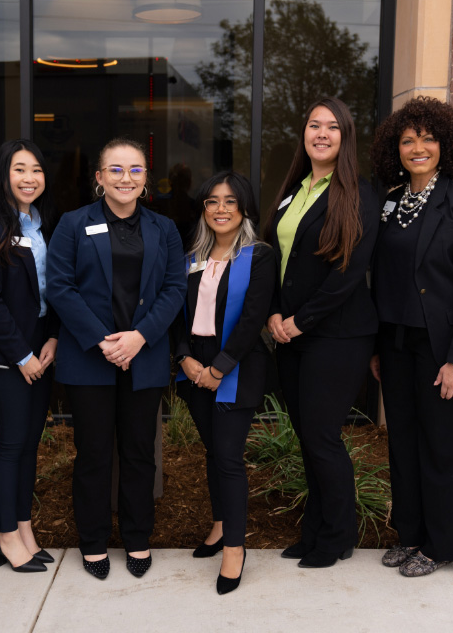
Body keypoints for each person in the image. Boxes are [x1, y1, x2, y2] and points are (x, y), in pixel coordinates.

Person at [46, 137, 186, 580]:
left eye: (136, 170)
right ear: (99, 178)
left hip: (142, 357)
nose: (126, 178)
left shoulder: (164, 228)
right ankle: (92, 542)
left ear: (146, 179)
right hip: (91, 359)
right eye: (116, 169)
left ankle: (138, 536)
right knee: (93, 454)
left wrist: (139, 338)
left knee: (140, 452)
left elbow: (174, 289)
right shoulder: (73, 223)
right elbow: (60, 286)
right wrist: (104, 342)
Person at [369, 96, 453, 577]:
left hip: (445, 349)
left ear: (445, 144)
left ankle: (442, 544)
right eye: (407, 139)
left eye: (427, 137)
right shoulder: (390, 201)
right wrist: (381, 347)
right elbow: (384, 278)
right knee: (405, 444)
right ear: (394, 149)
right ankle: (413, 534)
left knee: (444, 449)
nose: (417, 147)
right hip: (398, 346)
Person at [264, 97, 379, 569]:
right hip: (291, 334)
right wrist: (273, 313)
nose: (322, 133)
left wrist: (298, 321)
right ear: (305, 133)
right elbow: (274, 258)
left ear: (345, 137)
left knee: (322, 435)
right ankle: (315, 530)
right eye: (315, 125)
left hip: (337, 336)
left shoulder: (359, 193)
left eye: (333, 127)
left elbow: (348, 275)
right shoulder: (295, 190)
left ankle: (337, 537)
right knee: (307, 436)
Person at [171, 171, 274, 594]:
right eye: (212, 201)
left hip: (237, 367)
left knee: (229, 456)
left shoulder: (260, 256)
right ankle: (219, 524)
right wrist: (185, 359)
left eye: (230, 201)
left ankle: (235, 546)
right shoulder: (189, 257)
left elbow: (253, 319)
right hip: (193, 366)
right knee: (213, 451)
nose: (221, 209)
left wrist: (219, 368)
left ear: (244, 207)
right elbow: (174, 313)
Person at [0, 139, 58, 574]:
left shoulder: (43, 225)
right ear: (4, 175)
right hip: (8, 353)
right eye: (20, 169)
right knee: (11, 444)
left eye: (37, 170)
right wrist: (22, 355)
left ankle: (23, 527)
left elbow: (54, 291)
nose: (29, 178)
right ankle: (4, 534)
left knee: (30, 446)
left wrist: (52, 341)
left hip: (42, 349)